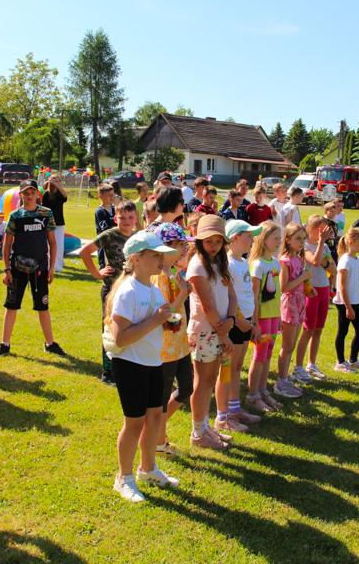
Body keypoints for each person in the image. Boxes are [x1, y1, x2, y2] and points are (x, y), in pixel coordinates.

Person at [105, 231, 180, 502]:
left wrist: (170, 322)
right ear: (136, 259)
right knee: (134, 424)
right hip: (131, 365)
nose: (161, 260)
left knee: (154, 420)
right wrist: (156, 320)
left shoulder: (153, 288)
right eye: (155, 255)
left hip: (152, 362)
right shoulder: (127, 291)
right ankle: (123, 479)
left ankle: (147, 470)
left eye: (162, 255)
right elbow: (121, 337)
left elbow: (158, 318)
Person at [0, 180, 64, 358]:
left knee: (43, 307)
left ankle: (50, 343)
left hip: (41, 268)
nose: (29, 196)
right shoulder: (15, 215)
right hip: (17, 268)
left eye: (32, 192)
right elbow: (7, 244)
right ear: (20, 195)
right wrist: (6, 269)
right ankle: (4, 344)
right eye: (25, 193)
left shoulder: (47, 213)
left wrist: (51, 267)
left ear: (38, 194)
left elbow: (52, 242)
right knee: (11, 305)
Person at [186, 215, 237, 450]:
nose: (214, 245)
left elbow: (231, 295)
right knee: (203, 381)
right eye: (209, 241)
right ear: (199, 241)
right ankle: (198, 432)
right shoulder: (197, 266)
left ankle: (205, 427)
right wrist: (224, 332)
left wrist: (232, 320)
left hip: (220, 328)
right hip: (206, 331)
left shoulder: (220, 263)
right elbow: (207, 306)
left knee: (210, 379)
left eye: (218, 240)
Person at [79, 200, 139, 385]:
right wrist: (97, 273)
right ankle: (108, 372)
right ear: (116, 218)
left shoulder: (138, 237)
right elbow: (84, 251)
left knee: (129, 328)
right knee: (110, 329)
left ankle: (126, 366)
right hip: (112, 291)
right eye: (122, 218)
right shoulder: (109, 235)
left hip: (132, 291)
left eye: (130, 217)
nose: (126, 221)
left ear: (136, 218)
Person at [214, 220, 263, 433]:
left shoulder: (242, 262)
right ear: (234, 238)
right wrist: (242, 321)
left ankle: (234, 409)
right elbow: (227, 297)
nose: (252, 240)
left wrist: (251, 321)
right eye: (248, 236)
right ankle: (222, 417)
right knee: (227, 370)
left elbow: (246, 294)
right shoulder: (227, 264)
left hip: (245, 322)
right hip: (234, 322)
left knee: (237, 367)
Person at [150, 223, 193, 457]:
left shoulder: (174, 273)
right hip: (166, 347)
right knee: (163, 398)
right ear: (166, 247)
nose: (185, 248)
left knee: (186, 389)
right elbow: (166, 314)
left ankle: (156, 429)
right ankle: (158, 443)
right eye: (181, 244)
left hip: (181, 344)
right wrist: (183, 294)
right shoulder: (159, 278)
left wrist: (185, 289)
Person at [246, 221, 287, 411]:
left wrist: (278, 317)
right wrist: (254, 322)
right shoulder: (258, 265)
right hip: (261, 317)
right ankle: (252, 395)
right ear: (263, 240)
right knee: (260, 354)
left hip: (272, 315)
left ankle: (262, 390)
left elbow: (276, 292)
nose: (279, 241)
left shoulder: (275, 263)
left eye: (280, 238)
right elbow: (254, 296)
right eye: (275, 238)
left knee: (268, 352)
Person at [293, 215, 334, 381]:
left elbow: (333, 267)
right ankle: (298, 367)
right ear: (310, 229)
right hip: (311, 290)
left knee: (318, 329)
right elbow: (316, 262)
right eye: (320, 229)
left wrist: (325, 259)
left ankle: (311, 364)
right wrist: (322, 247)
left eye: (324, 229)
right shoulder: (306, 246)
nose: (323, 232)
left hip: (323, 288)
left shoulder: (322, 246)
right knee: (308, 329)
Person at [276, 222, 312, 395]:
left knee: (293, 343)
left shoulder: (298, 258)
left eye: (304, 238)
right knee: (287, 345)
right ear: (288, 240)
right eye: (298, 238)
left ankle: (286, 379)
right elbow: (284, 287)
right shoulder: (285, 260)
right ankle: (281, 381)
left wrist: (307, 288)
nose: (302, 242)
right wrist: (303, 277)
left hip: (299, 301)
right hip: (289, 303)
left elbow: (297, 282)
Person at [333, 228, 359, 372]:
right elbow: (342, 286)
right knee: (343, 331)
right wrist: (348, 307)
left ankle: (353, 359)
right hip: (344, 303)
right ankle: (340, 362)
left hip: (355, 302)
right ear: (351, 242)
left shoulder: (358, 261)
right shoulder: (345, 260)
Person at [41, 172, 68, 272]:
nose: (56, 182)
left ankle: (58, 265)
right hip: (49, 223)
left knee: (60, 245)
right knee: (49, 245)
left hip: (60, 222)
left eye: (58, 180)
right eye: (54, 180)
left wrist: (57, 185)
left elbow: (65, 196)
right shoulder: (47, 194)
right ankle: (49, 265)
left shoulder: (60, 194)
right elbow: (44, 209)